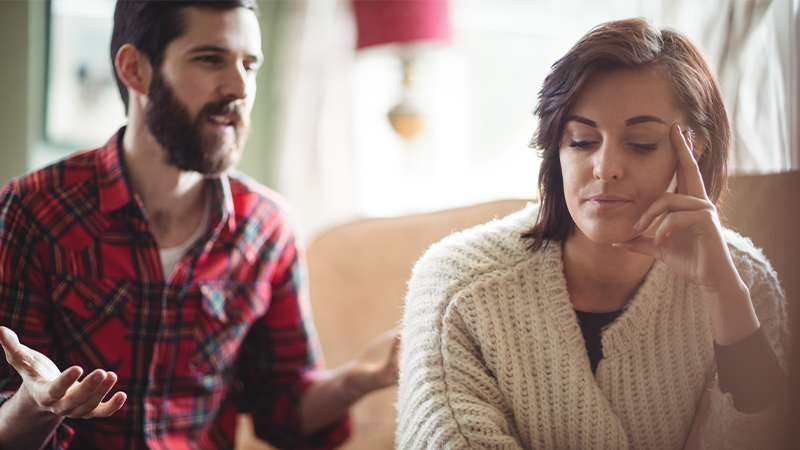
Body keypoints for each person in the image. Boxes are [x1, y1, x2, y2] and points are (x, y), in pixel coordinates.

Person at [0, 1, 399, 449]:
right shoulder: (32, 211)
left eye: (249, 65)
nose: (239, 87)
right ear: (136, 70)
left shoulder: (266, 227)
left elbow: (284, 414)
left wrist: (360, 379)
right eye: (210, 58)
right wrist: (36, 405)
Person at [396, 18, 789, 450]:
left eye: (640, 143)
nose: (605, 168)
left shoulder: (745, 286)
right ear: (555, 148)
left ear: (693, 149)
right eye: (582, 141)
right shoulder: (457, 289)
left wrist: (724, 294)